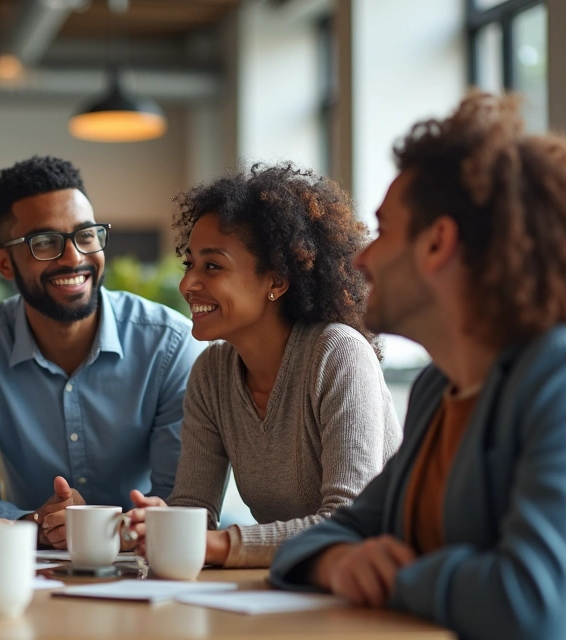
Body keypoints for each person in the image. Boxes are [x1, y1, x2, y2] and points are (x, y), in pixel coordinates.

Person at [269, 93, 566, 639]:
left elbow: (535, 607)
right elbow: (337, 534)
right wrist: (339, 563)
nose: (361, 259)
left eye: (382, 232)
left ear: (437, 243)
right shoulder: (439, 386)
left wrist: (395, 579)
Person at [127, 163, 402, 568]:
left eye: (213, 266)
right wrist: (163, 523)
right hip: (290, 582)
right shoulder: (212, 372)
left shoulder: (338, 354)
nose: (188, 284)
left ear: (276, 281)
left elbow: (349, 522)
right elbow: (194, 510)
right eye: (190, 264)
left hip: (373, 585)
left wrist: (219, 545)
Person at [0, 155, 205, 548]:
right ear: (4, 263)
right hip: (31, 565)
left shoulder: (170, 344)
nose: (74, 258)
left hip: (148, 559)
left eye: (86, 235)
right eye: (45, 242)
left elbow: (181, 499)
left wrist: (104, 527)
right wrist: (36, 523)